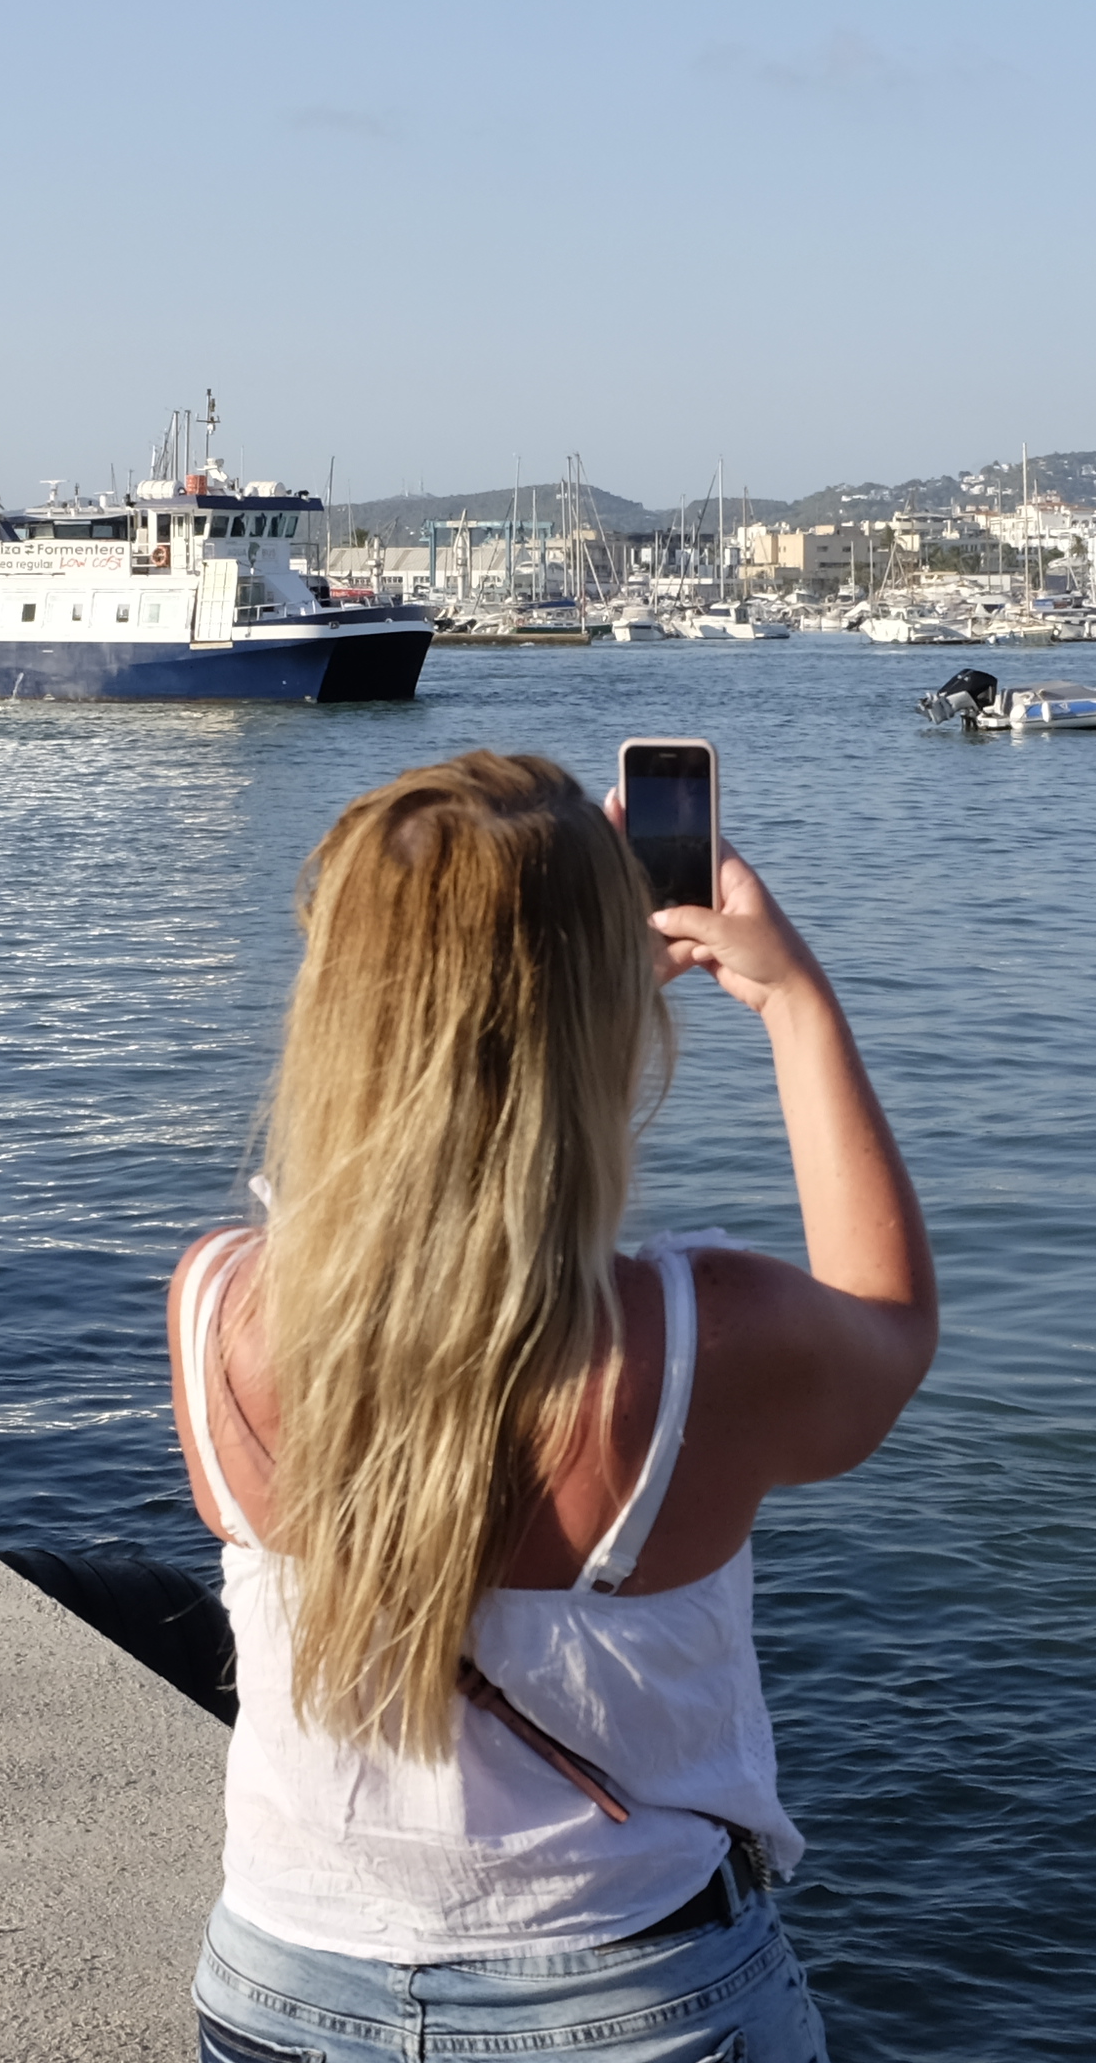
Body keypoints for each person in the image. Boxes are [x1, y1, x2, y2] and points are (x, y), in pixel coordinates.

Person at [168, 751, 934, 2063]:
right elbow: (890, 1327)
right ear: (592, 1023)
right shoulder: (701, 1339)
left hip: (281, 1992)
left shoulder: (215, 1305)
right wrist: (796, 1004)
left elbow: (431, 1370)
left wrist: (533, 980)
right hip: (636, 2006)